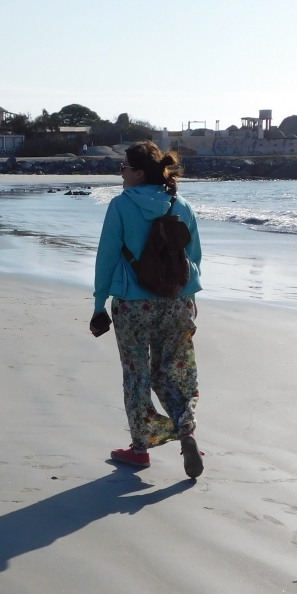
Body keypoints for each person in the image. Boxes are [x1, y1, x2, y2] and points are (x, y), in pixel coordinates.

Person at [91, 141, 204, 478]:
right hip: (177, 303)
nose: (121, 172)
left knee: (137, 375)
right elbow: (192, 258)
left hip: (133, 304)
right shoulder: (181, 204)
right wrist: (190, 296)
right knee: (175, 372)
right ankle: (187, 432)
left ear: (138, 173)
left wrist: (99, 304)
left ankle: (140, 450)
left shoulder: (121, 206)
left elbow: (107, 258)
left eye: (124, 167)